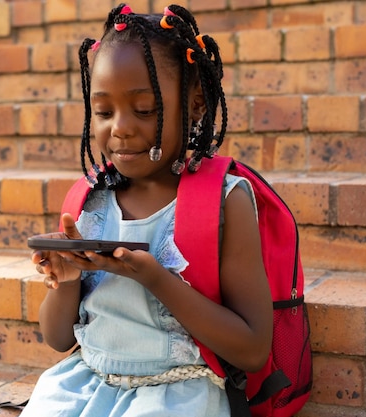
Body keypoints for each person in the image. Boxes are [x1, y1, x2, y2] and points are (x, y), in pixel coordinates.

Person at [21, 4, 272, 416]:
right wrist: (66, 280)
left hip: (176, 392)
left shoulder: (225, 201)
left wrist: (156, 278)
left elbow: (253, 349)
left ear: (193, 105)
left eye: (143, 110)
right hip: (85, 382)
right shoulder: (92, 199)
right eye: (103, 112)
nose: (119, 127)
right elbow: (57, 337)